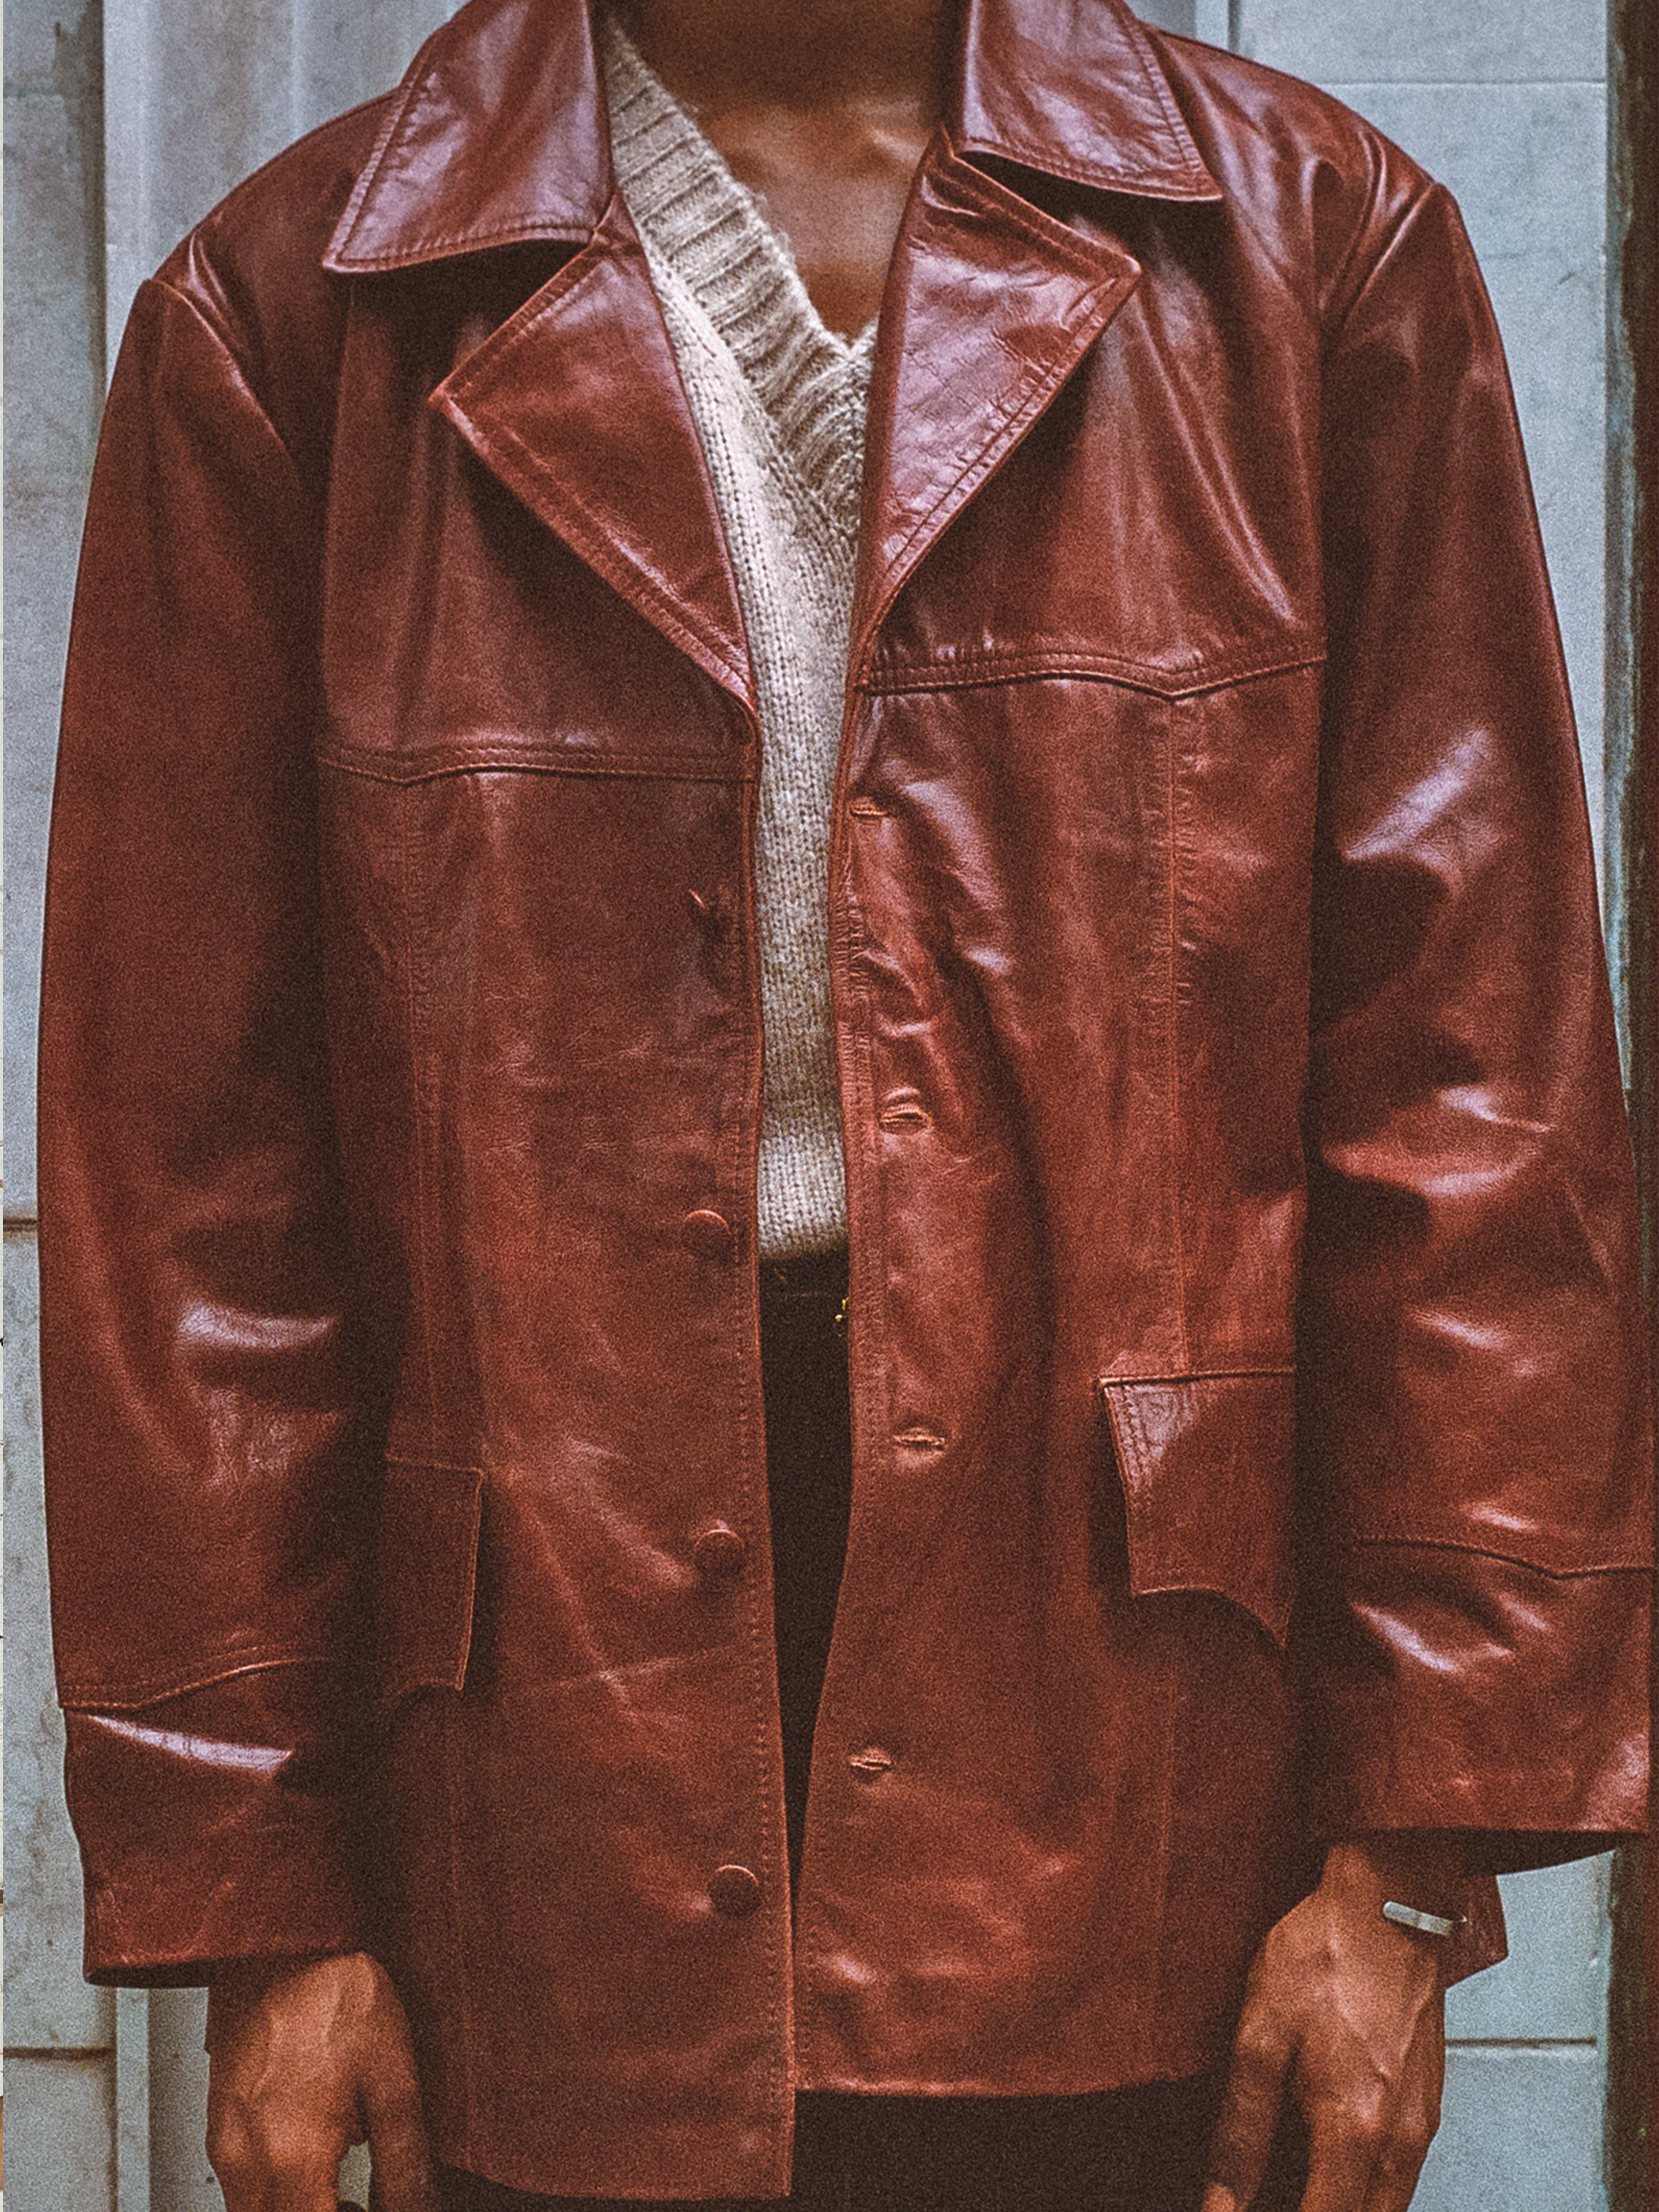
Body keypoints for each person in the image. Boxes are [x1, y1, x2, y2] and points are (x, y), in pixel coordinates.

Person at [37, 0, 1652, 2207]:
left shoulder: (1304, 255)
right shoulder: (297, 310)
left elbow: (1470, 1091)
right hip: (530, 1740)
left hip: (1131, 1722)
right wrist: (263, 1895)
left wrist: (1410, 1859)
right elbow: (190, 1178)